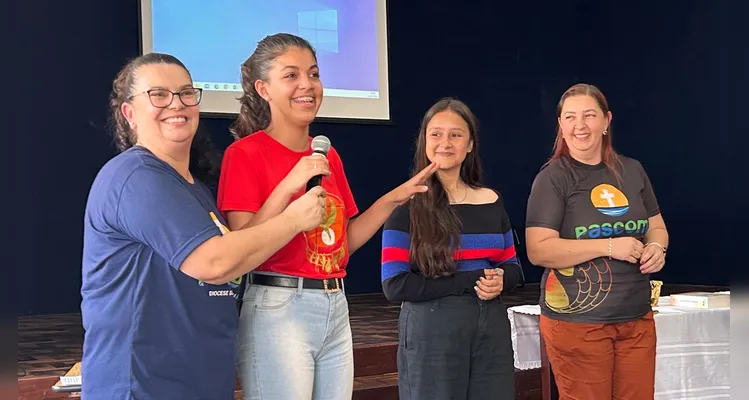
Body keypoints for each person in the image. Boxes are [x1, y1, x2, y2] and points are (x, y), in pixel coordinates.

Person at [81, 53, 326, 400]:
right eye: (159, 95)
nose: (175, 104)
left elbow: (239, 249)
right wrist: (294, 220)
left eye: (185, 93)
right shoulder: (136, 177)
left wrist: (286, 189)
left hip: (197, 383)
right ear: (130, 114)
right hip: (143, 386)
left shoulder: (192, 188)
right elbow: (213, 262)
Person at [216, 33, 438, 400]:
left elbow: (342, 243)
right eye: (291, 76)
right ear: (264, 88)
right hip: (278, 306)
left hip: (334, 302)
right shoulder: (245, 154)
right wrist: (289, 186)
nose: (307, 85)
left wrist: (393, 199)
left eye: (314, 74)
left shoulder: (326, 155)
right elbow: (240, 247)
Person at [525, 83, 669, 400]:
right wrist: (608, 246)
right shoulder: (552, 178)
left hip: (635, 318)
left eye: (589, 115)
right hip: (579, 323)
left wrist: (657, 247)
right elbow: (538, 250)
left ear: (606, 121)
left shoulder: (632, 170)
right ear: (560, 125)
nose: (580, 126)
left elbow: (656, 227)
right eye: (570, 117)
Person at [380, 98, 524, 400]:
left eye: (455, 135)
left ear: (470, 144)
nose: (445, 143)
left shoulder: (491, 201)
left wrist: (502, 280)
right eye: (436, 134)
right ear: (424, 141)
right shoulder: (406, 205)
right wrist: (465, 282)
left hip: (490, 328)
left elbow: (514, 267)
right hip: (432, 328)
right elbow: (394, 284)